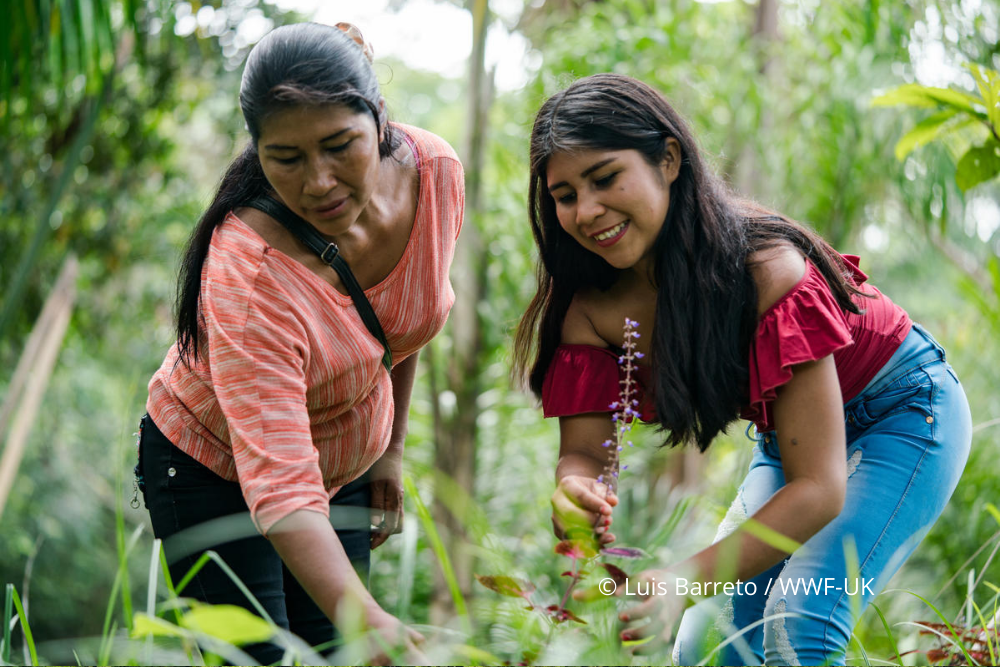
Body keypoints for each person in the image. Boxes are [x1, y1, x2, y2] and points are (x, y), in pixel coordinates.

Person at [513, 73, 971, 666]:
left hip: (904, 412)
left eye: (605, 178)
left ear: (668, 159)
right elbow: (584, 454)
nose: (587, 210)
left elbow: (820, 488)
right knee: (708, 641)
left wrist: (680, 580)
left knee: (800, 626)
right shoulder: (590, 310)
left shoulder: (765, 269)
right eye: (565, 194)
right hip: (795, 441)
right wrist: (576, 486)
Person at [135, 22, 463, 663]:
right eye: (286, 158)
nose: (318, 182)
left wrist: (388, 453)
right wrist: (369, 617)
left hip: (341, 467)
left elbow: (407, 316)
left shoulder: (434, 174)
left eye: (341, 146)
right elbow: (281, 487)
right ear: (256, 150)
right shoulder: (249, 274)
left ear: (380, 118)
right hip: (214, 469)